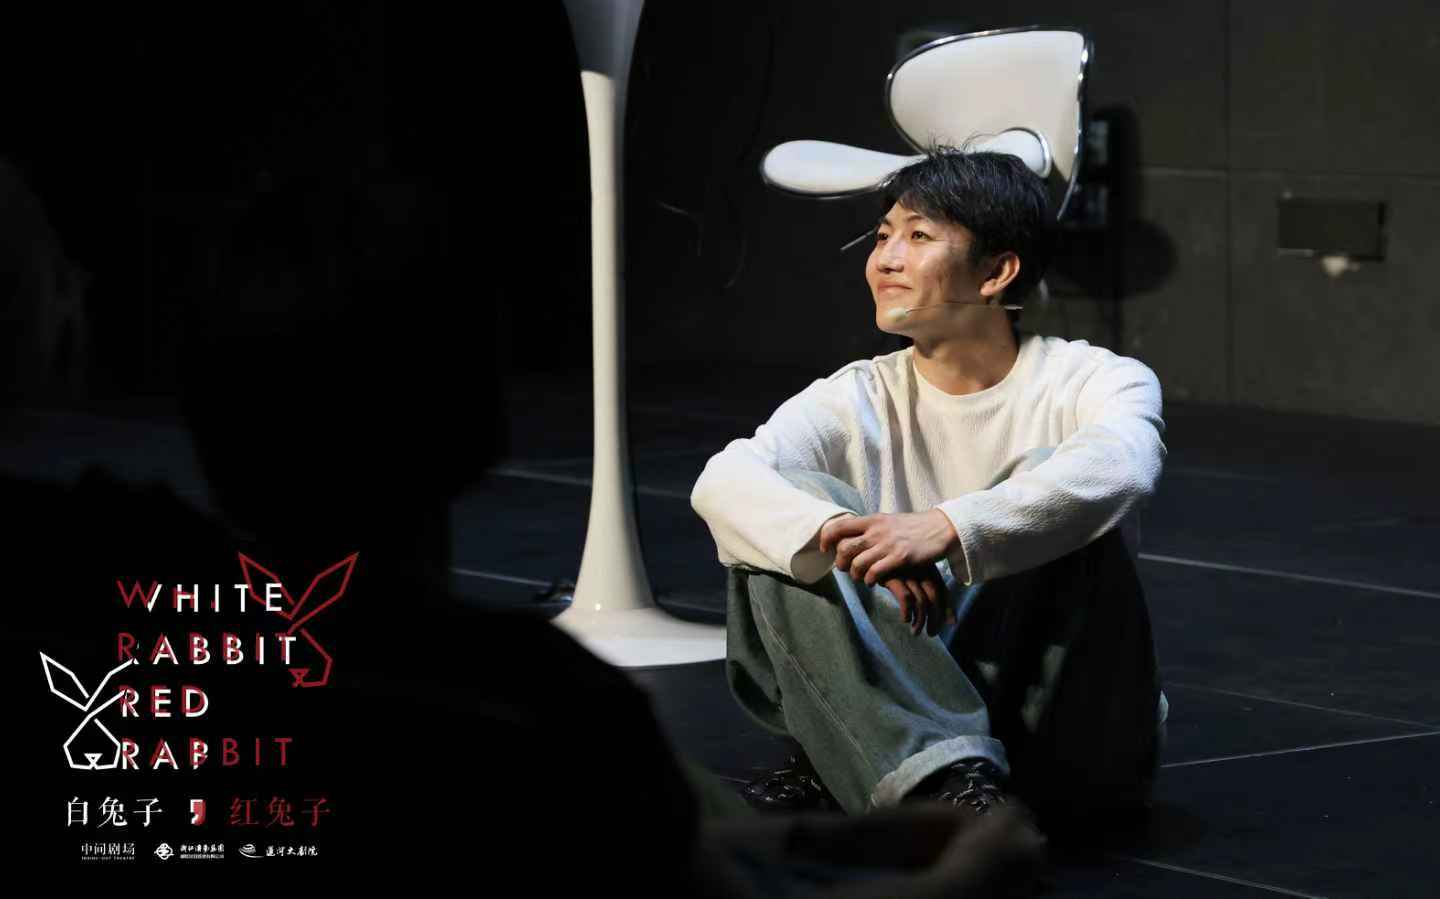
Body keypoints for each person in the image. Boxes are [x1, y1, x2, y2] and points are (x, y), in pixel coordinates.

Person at [690, 147, 1170, 844]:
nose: (885, 259)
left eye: (918, 236)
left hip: (1062, 734)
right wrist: (846, 536)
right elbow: (724, 480)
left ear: (996, 272)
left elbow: (1122, 465)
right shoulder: (856, 395)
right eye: (883, 235)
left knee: (1051, 472)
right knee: (798, 507)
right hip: (951, 779)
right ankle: (939, 775)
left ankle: (904, 764)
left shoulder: (1095, 379)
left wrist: (946, 527)